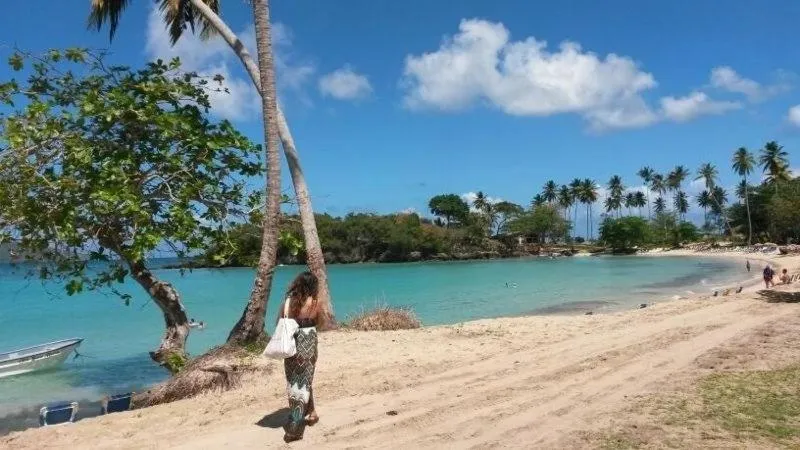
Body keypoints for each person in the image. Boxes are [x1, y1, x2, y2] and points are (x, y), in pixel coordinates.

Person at [280, 271, 331, 443]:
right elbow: (322, 323)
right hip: (308, 341)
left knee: (295, 381)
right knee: (305, 380)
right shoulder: (316, 303)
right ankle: (296, 424)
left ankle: (311, 413)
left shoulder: (288, 303)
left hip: (290, 343)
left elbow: (281, 321)